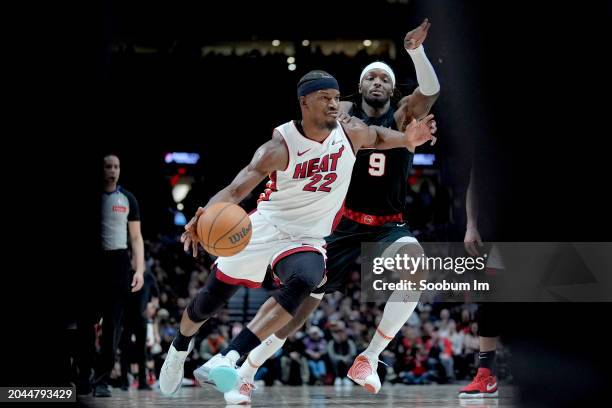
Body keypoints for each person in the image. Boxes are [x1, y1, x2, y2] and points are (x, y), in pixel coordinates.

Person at [158, 69, 437, 397]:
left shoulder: (351, 133)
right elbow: (234, 192)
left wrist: (407, 139)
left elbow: (377, 136)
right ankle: (178, 350)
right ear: (305, 103)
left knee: (305, 280)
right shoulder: (278, 147)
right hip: (266, 226)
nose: (334, 105)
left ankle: (230, 360)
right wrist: (201, 215)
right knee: (209, 301)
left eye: (336, 98)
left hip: (308, 237)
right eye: (325, 99)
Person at [224, 19, 441, 404]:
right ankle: (247, 370)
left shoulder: (403, 119)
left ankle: (369, 358)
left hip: (388, 226)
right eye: (370, 78)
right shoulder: (342, 117)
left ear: (393, 89)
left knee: (417, 269)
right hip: (339, 224)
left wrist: (414, 51)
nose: (377, 82)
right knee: (300, 308)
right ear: (358, 88)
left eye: (384, 79)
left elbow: (431, 90)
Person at [76, 154, 145, 397]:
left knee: (112, 326)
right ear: (100, 169)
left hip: (118, 264)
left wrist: (139, 269)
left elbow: (136, 238)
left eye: (116, 166)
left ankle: (102, 380)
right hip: (91, 263)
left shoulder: (128, 199)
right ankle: (83, 375)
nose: (112, 170)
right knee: (85, 324)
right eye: (108, 166)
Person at [119, 270, 159, 391]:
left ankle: (142, 381)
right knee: (124, 350)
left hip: (141, 317)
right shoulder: (125, 272)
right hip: (125, 318)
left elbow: (156, 294)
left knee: (142, 351)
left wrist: (152, 306)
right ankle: (124, 382)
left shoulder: (148, 275)